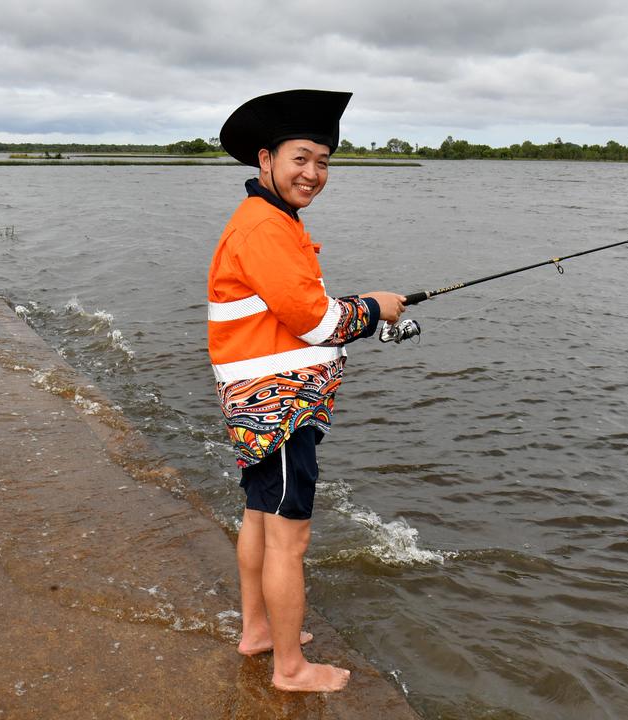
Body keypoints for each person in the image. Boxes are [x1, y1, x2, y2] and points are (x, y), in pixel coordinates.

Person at [207, 89, 407, 693]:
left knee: (259, 518)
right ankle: (289, 668)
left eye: (323, 161)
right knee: (289, 537)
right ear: (265, 159)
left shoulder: (272, 221)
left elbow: (296, 311)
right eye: (301, 158)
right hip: (280, 410)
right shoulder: (265, 227)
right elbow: (319, 321)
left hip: (260, 404)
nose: (313, 173)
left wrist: (356, 309)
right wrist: (378, 307)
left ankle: (258, 632)